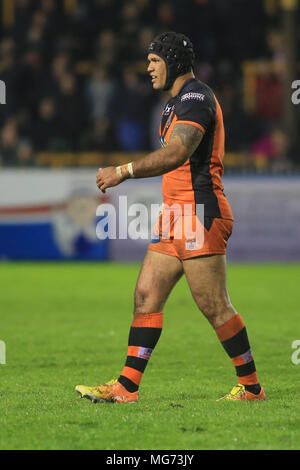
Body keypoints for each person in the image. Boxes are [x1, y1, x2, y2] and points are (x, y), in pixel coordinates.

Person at [76, 32, 265, 403]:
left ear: (174, 62)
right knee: (146, 295)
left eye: (154, 60)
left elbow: (178, 152)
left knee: (214, 305)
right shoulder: (172, 104)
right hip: (176, 215)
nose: (148, 68)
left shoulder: (195, 97)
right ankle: (126, 387)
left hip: (199, 212)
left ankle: (252, 387)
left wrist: (124, 170)